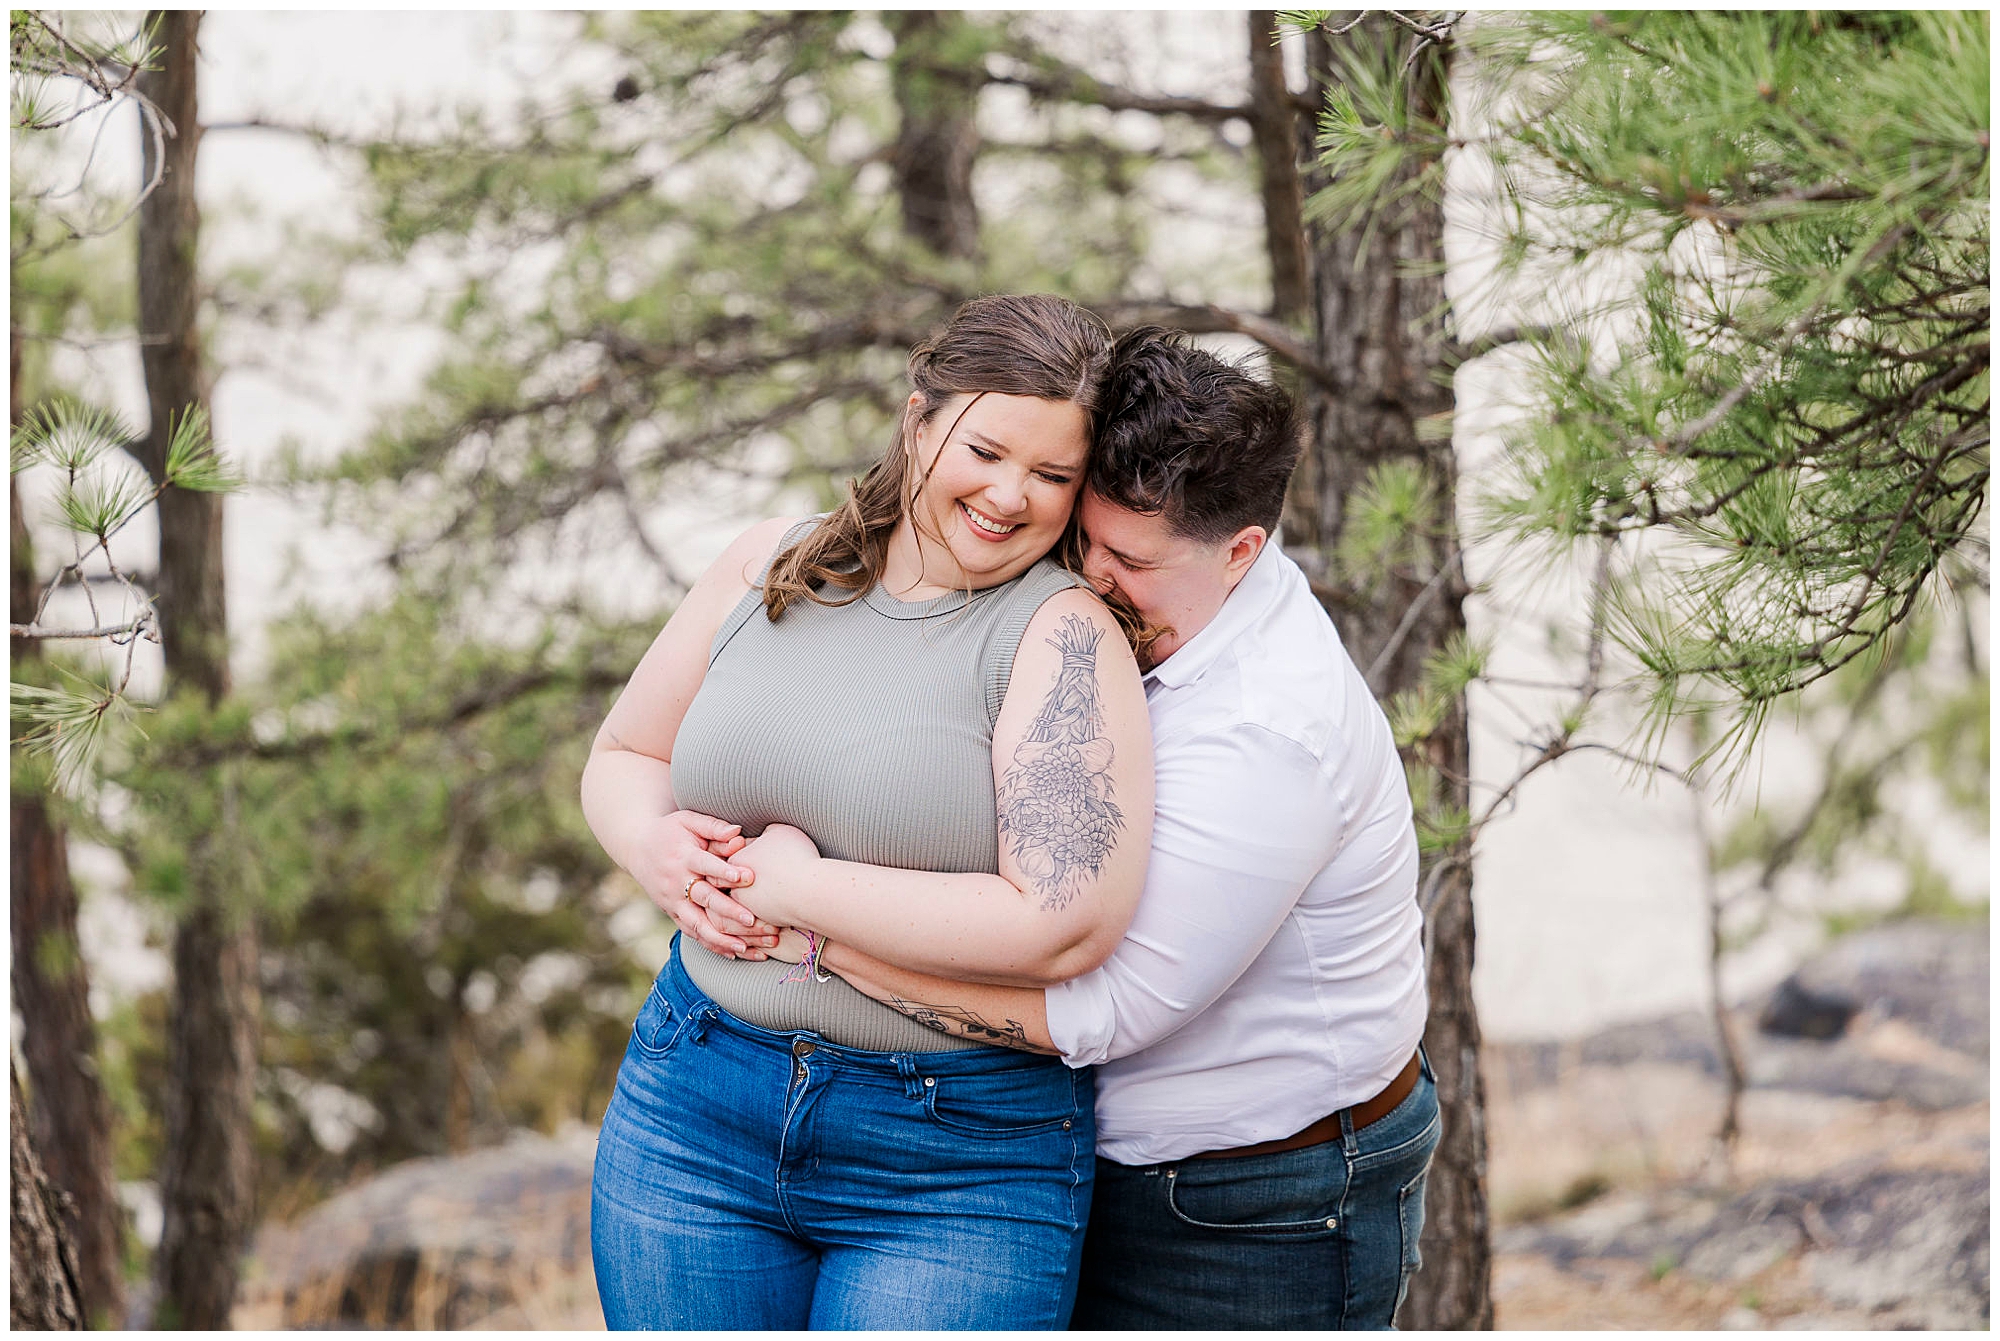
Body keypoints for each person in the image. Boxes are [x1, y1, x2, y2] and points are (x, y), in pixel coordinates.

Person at [697, 327, 1435, 1329]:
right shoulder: (1158, 599)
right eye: (1082, 535)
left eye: (1126, 558)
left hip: (1254, 1200)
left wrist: (811, 928)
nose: (1085, 577)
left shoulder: (1268, 736)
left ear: (1241, 552)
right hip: (1079, 1155)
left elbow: (1103, 1009)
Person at [581, 294, 1155, 1330]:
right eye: (985, 449)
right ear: (917, 418)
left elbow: (1064, 921)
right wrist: (653, 846)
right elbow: (625, 754)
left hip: (950, 1163)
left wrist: (793, 891)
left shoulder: (1059, 635)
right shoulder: (770, 562)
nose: (1008, 495)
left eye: (1052, 475)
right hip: (691, 1109)